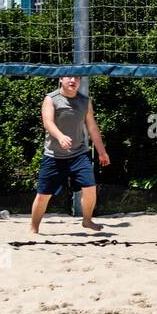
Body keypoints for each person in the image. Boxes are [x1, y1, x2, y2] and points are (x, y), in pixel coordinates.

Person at [30, 75, 110, 234]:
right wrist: (60, 136)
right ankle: (34, 228)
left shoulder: (85, 101)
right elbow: (48, 122)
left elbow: (92, 127)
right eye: (69, 77)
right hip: (54, 156)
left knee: (90, 188)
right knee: (43, 195)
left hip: (79, 154)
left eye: (77, 78)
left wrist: (102, 152)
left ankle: (87, 221)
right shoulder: (51, 99)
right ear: (61, 79)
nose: (73, 80)